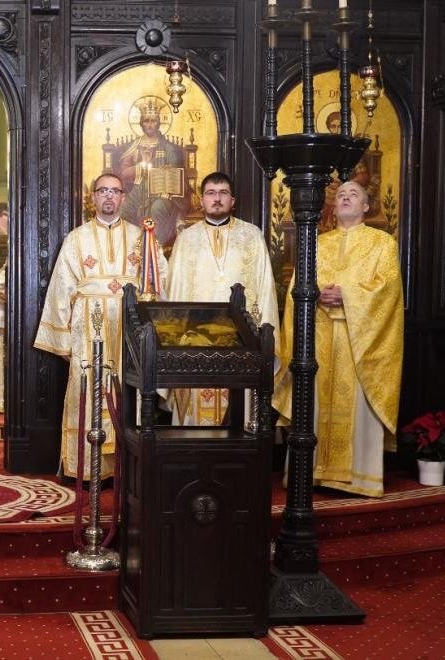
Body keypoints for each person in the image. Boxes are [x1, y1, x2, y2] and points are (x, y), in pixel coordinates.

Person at [273, 180, 403, 497]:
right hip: (317, 338)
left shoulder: (382, 243)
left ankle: (360, 477)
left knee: (357, 406)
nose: (345, 198)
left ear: (366, 206)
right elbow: (296, 288)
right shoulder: (316, 243)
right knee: (313, 404)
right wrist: (315, 293)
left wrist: (348, 295)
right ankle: (311, 473)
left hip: (360, 341)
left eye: (353, 194)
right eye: (341, 194)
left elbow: (388, 289)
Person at [35, 173, 167, 479]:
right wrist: (62, 338)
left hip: (129, 329)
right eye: (103, 190)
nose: (109, 196)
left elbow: (159, 283)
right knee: (88, 389)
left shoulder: (142, 238)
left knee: (129, 391)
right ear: (93, 197)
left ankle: (126, 472)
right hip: (88, 328)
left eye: (115, 191)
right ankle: (87, 469)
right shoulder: (76, 239)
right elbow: (61, 288)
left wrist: (156, 334)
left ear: (123, 197)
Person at [165, 172, 279, 425]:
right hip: (194, 340)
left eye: (223, 193)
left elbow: (265, 287)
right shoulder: (187, 239)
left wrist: (264, 337)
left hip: (242, 339)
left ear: (233, 200)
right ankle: (193, 450)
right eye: (211, 193)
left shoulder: (251, 235)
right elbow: (175, 291)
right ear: (202, 200)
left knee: (241, 413)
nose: (217, 199)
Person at [116, 100, 190, 246]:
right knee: (124, 209)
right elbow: (123, 173)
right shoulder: (135, 146)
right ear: (141, 123)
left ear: (159, 123)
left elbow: (177, 176)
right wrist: (140, 167)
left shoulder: (168, 148)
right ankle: (130, 248)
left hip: (162, 192)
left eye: (153, 121)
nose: (149, 124)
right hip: (139, 189)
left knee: (157, 208)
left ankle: (156, 248)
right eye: (146, 121)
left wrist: (167, 176)